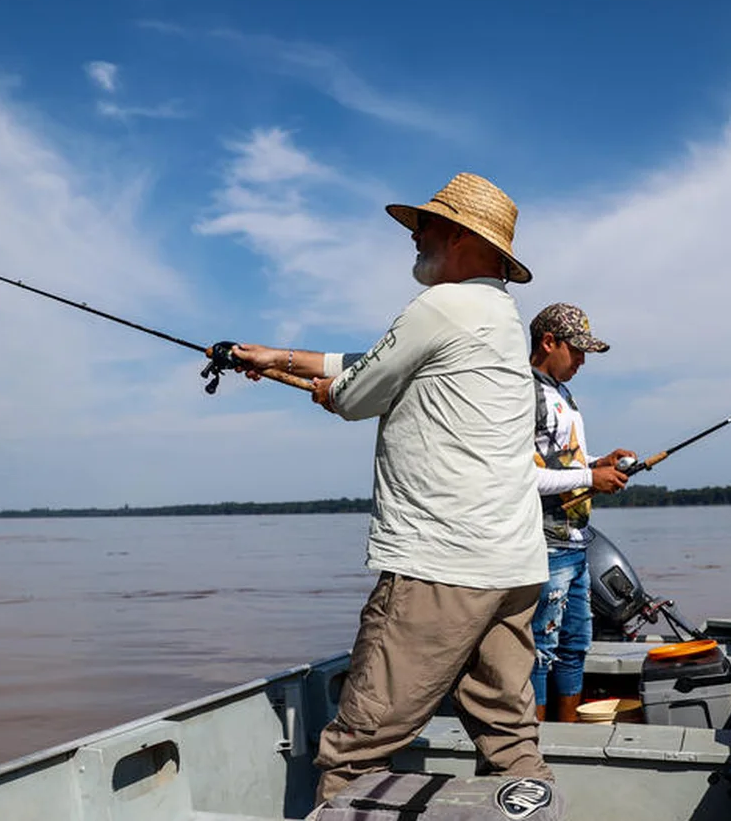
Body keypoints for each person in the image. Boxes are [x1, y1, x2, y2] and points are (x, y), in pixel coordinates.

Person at [228, 172, 553, 805]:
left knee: (358, 746)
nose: (414, 237)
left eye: (423, 226)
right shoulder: (497, 317)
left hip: (441, 567)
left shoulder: (440, 306)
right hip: (513, 565)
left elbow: (356, 392)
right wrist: (278, 358)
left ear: (459, 235)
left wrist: (329, 392)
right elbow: (383, 362)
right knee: (510, 736)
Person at [527, 303, 635, 723]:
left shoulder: (563, 393)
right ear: (548, 342)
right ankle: (531, 745)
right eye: (577, 350)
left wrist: (599, 460)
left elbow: (560, 461)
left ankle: (570, 735)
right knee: (540, 650)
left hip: (577, 543)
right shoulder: (524, 392)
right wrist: (591, 477)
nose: (583, 361)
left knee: (575, 646)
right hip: (544, 545)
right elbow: (521, 476)